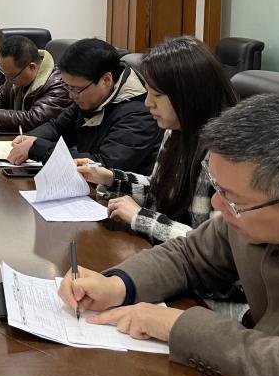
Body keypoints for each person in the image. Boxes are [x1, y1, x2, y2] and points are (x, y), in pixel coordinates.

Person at [58, 94, 279, 376]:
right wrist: (118, 285)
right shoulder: (249, 214)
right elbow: (188, 255)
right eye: (217, 187)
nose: (217, 204)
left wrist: (174, 325)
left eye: (234, 200)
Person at [77, 36, 237, 243]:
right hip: (165, 252)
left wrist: (140, 218)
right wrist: (109, 178)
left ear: (189, 94)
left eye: (158, 95)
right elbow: (159, 190)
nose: (148, 103)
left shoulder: (226, 153)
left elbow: (214, 245)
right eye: (148, 92)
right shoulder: (176, 130)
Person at [8, 38, 162, 174]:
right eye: (68, 87)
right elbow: (58, 127)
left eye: (76, 89)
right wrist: (28, 139)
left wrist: (37, 148)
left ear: (106, 80)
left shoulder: (140, 114)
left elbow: (104, 165)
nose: (71, 95)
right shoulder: (91, 97)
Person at [0, 35, 71, 132]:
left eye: (11, 76)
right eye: (4, 73)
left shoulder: (59, 85)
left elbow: (34, 118)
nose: (7, 80)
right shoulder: (16, 76)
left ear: (32, 67)